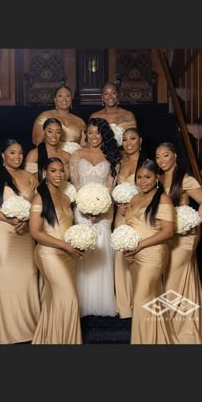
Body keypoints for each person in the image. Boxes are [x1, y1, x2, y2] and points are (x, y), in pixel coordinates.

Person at [0, 139, 41, 344]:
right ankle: (3, 328)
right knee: (4, 276)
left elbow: (38, 204)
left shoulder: (31, 177)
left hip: (25, 232)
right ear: (3, 155)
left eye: (20, 153)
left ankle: (28, 326)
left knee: (28, 274)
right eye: (12, 153)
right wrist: (8, 219)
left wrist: (27, 220)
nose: (18, 157)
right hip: (0, 231)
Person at [155, 142, 202, 344]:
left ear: (175, 156)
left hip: (185, 237)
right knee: (178, 280)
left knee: (173, 279)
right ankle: (185, 327)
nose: (161, 160)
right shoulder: (158, 178)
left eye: (166, 155)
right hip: (167, 235)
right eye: (158, 156)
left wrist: (195, 223)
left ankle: (182, 331)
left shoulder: (185, 179)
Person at [124, 159, 178, 344]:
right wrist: (128, 249)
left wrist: (140, 245)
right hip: (135, 257)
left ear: (157, 178)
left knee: (141, 299)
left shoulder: (163, 198)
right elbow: (128, 228)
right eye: (139, 177)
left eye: (147, 177)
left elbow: (168, 231)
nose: (142, 181)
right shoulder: (134, 199)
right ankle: (158, 340)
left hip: (153, 254)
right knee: (149, 299)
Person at [69, 117, 120, 317]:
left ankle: (102, 301)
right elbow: (75, 182)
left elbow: (110, 185)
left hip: (104, 210)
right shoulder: (77, 154)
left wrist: (100, 207)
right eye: (90, 133)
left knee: (102, 250)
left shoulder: (111, 155)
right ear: (85, 134)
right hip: (81, 210)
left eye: (98, 133)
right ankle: (81, 302)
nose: (93, 137)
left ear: (104, 135)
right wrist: (85, 206)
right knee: (82, 249)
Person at [29, 157, 82, 344]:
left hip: (67, 254)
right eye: (53, 171)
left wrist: (76, 244)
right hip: (49, 254)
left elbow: (68, 227)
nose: (59, 174)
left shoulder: (66, 198)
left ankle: (49, 340)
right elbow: (35, 232)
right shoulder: (39, 197)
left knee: (55, 300)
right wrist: (64, 245)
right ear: (45, 173)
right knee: (70, 299)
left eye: (61, 170)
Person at [114, 127, 144, 318]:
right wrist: (119, 202)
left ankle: (140, 301)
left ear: (140, 140)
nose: (129, 143)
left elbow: (153, 189)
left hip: (140, 214)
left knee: (139, 255)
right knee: (120, 256)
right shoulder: (119, 163)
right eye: (125, 140)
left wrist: (133, 204)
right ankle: (125, 306)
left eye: (132, 138)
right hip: (121, 215)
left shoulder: (148, 163)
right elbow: (114, 188)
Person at [25, 117, 71, 182]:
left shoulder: (67, 156)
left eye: (58, 132)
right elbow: (26, 181)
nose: (54, 135)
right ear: (44, 132)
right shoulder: (34, 154)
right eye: (50, 131)